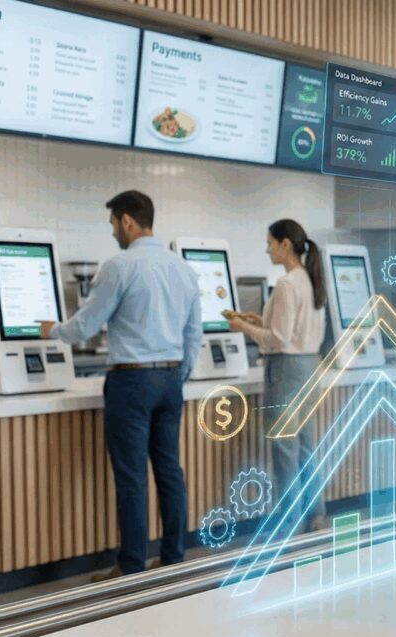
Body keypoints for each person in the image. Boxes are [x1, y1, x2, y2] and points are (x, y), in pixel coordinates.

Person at [40, 190, 201, 580]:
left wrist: (53, 330)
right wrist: (176, 376)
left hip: (131, 380)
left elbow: (87, 325)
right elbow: (193, 334)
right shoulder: (184, 269)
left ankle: (131, 565)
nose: (113, 231)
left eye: (114, 223)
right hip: (169, 378)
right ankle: (173, 555)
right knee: (168, 470)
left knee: (131, 476)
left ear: (127, 221)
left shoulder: (119, 266)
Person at [228, 219, 328, 533]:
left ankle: (289, 524)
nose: (266, 248)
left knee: (284, 449)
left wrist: (244, 328)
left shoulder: (286, 283)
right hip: (309, 366)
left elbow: (279, 339)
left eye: (270, 242)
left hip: (285, 369)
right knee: (305, 447)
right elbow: (289, 329)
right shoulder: (309, 279)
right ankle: (316, 515)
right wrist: (260, 320)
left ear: (285, 245)